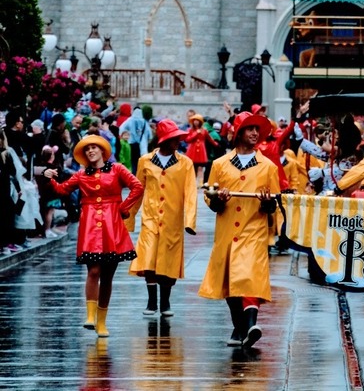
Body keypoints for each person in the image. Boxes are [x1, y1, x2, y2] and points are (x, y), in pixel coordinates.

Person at [44, 135, 143, 337]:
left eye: (94, 147)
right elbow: (63, 190)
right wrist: (49, 178)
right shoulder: (81, 175)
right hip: (90, 227)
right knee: (94, 271)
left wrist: (123, 208)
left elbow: (137, 186)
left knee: (107, 276)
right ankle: (90, 316)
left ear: (102, 151)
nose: (91, 151)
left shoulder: (117, 169)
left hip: (112, 226)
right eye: (87, 148)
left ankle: (102, 322)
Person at [198, 112, 280, 348]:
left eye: (257, 129)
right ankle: (240, 326)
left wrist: (266, 202)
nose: (255, 133)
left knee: (249, 274)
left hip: (253, 228)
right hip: (226, 230)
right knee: (229, 281)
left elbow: (274, 203)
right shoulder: (220, 165)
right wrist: (219, 200)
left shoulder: (268, 167)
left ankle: (252, 324)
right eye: (249, 129)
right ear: (238, 133)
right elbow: (210, 199)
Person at [127, 120, 197, 318]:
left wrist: (189, 221)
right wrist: (128, 216)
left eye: (178, 138)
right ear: (164, 140)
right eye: (174, 138)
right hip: (150, 216)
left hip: (172, 219)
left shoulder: (185, 163)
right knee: (148, 256)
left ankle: (165, 301)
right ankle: (151, 301)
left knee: (169, 259)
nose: (178, 141)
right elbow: (137, 190)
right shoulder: (145, 161)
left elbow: (190, 192)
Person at [185, 114, 219, 185]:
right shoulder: (190, 130)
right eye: (194, 121)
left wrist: (216, 144)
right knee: (193, 167)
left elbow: (209, 139)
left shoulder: (204, 131)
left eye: (197, 121)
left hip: (201, 151)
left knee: (202, 167)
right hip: (192, 150)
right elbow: (188, 139)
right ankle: (192, 182)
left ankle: (201, 182)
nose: (196, 122)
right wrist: (195, 133)